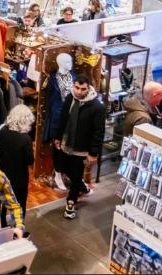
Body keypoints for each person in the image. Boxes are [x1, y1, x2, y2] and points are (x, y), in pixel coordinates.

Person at [53, 75, 105, 220]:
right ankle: (83, 188)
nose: (79, 91)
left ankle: (71, 202)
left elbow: (99, 132)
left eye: (83, 89)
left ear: (89, 89)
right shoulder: (70, 98)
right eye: (77, 87)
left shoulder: (97, 107)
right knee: (64, 169)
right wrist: (58, 136)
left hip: (82, 148)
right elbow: (63, 117)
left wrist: (93, 153)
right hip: (65, 143)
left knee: (76, 176)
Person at [0, 104, 35, 218]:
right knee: (19, 205)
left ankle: (1, 227)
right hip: (19, 179)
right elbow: (29, 161)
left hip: (2, 175)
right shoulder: (25, 139)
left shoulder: (2, 130)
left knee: (2, 204)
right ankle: (18, 230)